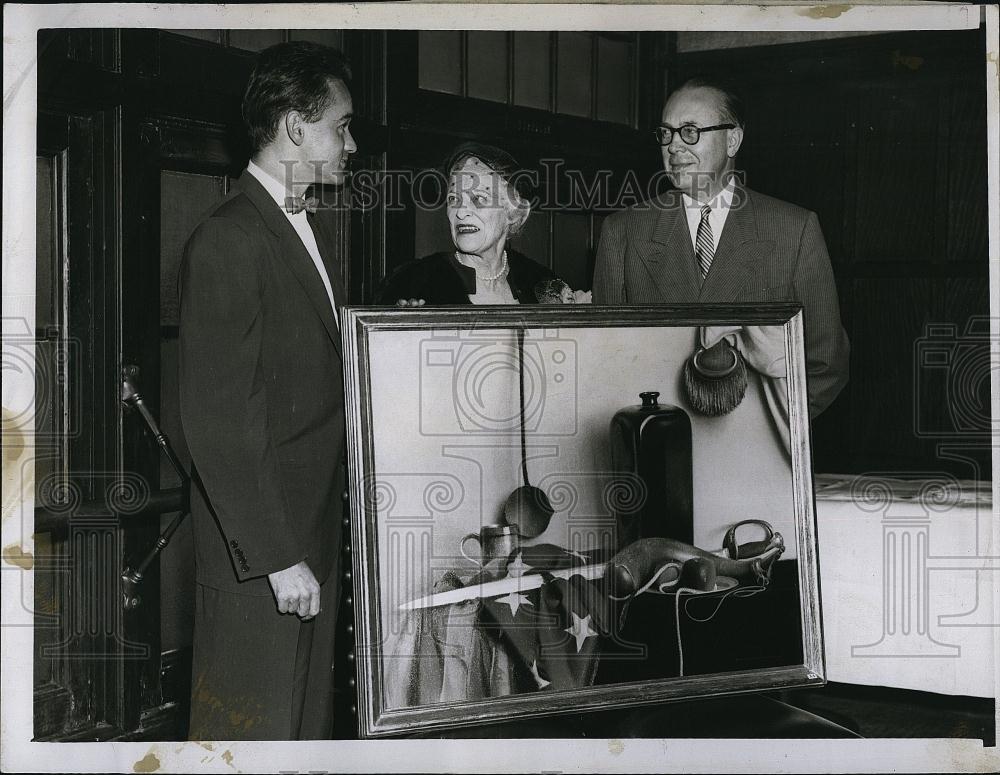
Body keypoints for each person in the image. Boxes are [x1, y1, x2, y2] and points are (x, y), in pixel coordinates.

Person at [178, 41, 356, 740]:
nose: (351, 141)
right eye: (340, 125)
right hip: (266, 555)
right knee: (250, 735)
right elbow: (219, 419)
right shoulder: (230, 237)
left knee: (299, 730)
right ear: (294, 126)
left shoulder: (297, 224)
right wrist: (279, 557)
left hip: (306, 537)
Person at [592, 77, 849, 418]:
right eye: (666, 133)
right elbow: (604, 360)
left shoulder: (794, 228)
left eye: (690, 131)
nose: (674, 147)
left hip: (756, 447)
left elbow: (826, 364)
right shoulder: (622, 231)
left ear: (732, 140)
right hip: (659, 441)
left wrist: (768, 427)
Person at [377, 142, 560, 305]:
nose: (461, 212)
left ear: (515, 213)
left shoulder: (542, 284)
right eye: (453, 198)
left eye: (479, 198)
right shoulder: (410, 284)